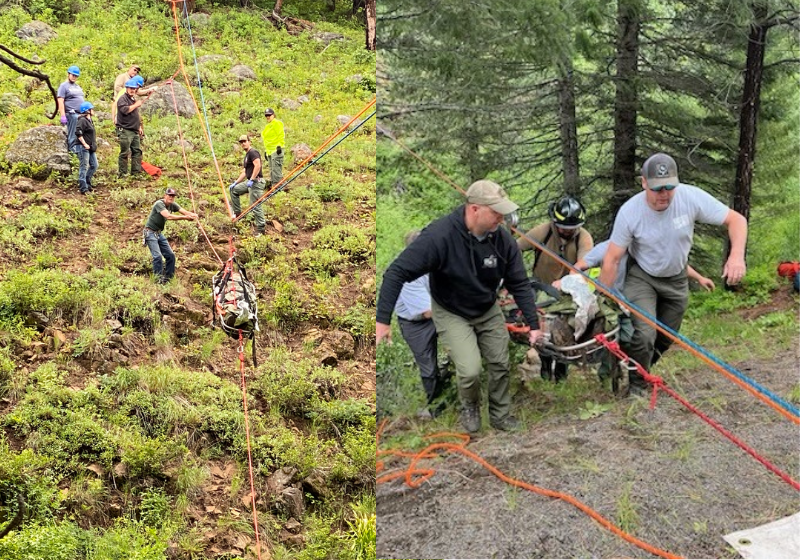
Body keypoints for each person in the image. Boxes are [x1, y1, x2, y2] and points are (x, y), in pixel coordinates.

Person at [376, 180, 544, 435]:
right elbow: (395, 273)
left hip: (486, 308)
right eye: (496, 212)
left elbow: (519, 282)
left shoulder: (502, 241)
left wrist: (533, 324)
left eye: (503, 212)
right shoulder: (439, 236)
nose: (502, 217)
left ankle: (500, 415)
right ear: (475, 209)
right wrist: (383, 321)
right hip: (451, 310)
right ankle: (470, 408)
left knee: (499, 361)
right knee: (469, 369)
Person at [599, 152, 747, 394]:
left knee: (666, 337)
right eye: (657, 188)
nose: (664, 194)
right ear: (644, 182)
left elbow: (736, 220)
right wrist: (603, 298)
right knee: (644, 334)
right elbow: (612, 259)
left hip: (676, 278)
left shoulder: (690, 197)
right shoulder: (630, 212)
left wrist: (736, 255)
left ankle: (639, 369)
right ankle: (637, 387)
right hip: (642, 277)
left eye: (669, 187)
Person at [517, 195, 594, 382]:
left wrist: (569, 280)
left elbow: (585, 264)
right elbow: (515, 247)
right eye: (563, 228)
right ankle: (544, 367)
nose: (567, 232)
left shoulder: (583, 238)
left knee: (563, 332)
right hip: (541, 292)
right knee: (543, 333)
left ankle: (561, 372)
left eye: (572, 228)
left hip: (567, 294)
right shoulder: (543, 231)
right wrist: (516, 275)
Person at [394, 230, 448, 417]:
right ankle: (436, 409)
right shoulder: (408, 273)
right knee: (428, 367)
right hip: (416, 323)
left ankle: (456, 392)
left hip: (440, 310)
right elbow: (428, 312)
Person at [143, 188, 198, 284]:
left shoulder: (172, 205)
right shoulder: (159, 204)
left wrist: (193, 215)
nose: (171, 198)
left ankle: (168, 279)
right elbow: (168, 216)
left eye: (173, 196)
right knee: (157, 257)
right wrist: (185, 218)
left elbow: (184, 211)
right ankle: (157, 280)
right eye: (169, 195)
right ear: (165, 196)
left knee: (170, 255)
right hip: (150, 232)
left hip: (158, 233)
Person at [229, 135, 267, 235]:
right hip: (250, 181)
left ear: (249, 142)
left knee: (255, 205)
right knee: (234, 190)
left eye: (245, 141)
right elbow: (245, 172)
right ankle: (238, 214)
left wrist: (252, 179)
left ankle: (261, 229)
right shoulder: (247, 155)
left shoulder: (253, 152)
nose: (243, 144)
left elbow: (258, 165)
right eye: (241, 142)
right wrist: (236, 182)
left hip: (256, 182)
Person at [116, 77, 152, 177]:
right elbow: (125, 110)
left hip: (134, 130)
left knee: (137, 151)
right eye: (130, 88)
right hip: (125, 130)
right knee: (125, 152)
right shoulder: (122, 99)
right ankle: (122, 174)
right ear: (126, 88)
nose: (132, 90)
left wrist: (139, 126)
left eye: (134, 88)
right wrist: (136, 105)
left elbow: (135, 115)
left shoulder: (132, 98)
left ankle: (135, 172)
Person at [57, 65, 84, 153]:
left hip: (80, 114)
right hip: (71, 114)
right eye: (73, 75)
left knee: (80, 134)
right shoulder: (64, 86)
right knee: (72, 134)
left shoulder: (77, 86)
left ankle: (79, 152)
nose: (74, 77)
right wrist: (63, 115)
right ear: (68, 74)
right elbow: (60, 100)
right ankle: (72, 151)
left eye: (76, 76)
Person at [74, 101, 98, 195]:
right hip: (83, 147)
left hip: (90, 148)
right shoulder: (82, 120)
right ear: (87, 111)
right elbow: (78, 132)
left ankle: (87, 183)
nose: (93, 110)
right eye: (92, 109)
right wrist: (84, 144)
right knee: (84, 167)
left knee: (94, 165)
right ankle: (83, 188)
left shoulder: (89, 121)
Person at [260, 108, 285, 187]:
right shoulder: (268, 126)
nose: (268, 117)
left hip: (276, 149)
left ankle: (277, 187)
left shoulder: (277, 123)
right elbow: (267, 139)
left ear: (273, 115)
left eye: (269, 115)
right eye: (266, 115)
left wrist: (279, 146)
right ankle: (274, 185)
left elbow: (281, 134)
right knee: (271, 169)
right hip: (270, 151)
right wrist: (266, 151)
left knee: (276, 169)